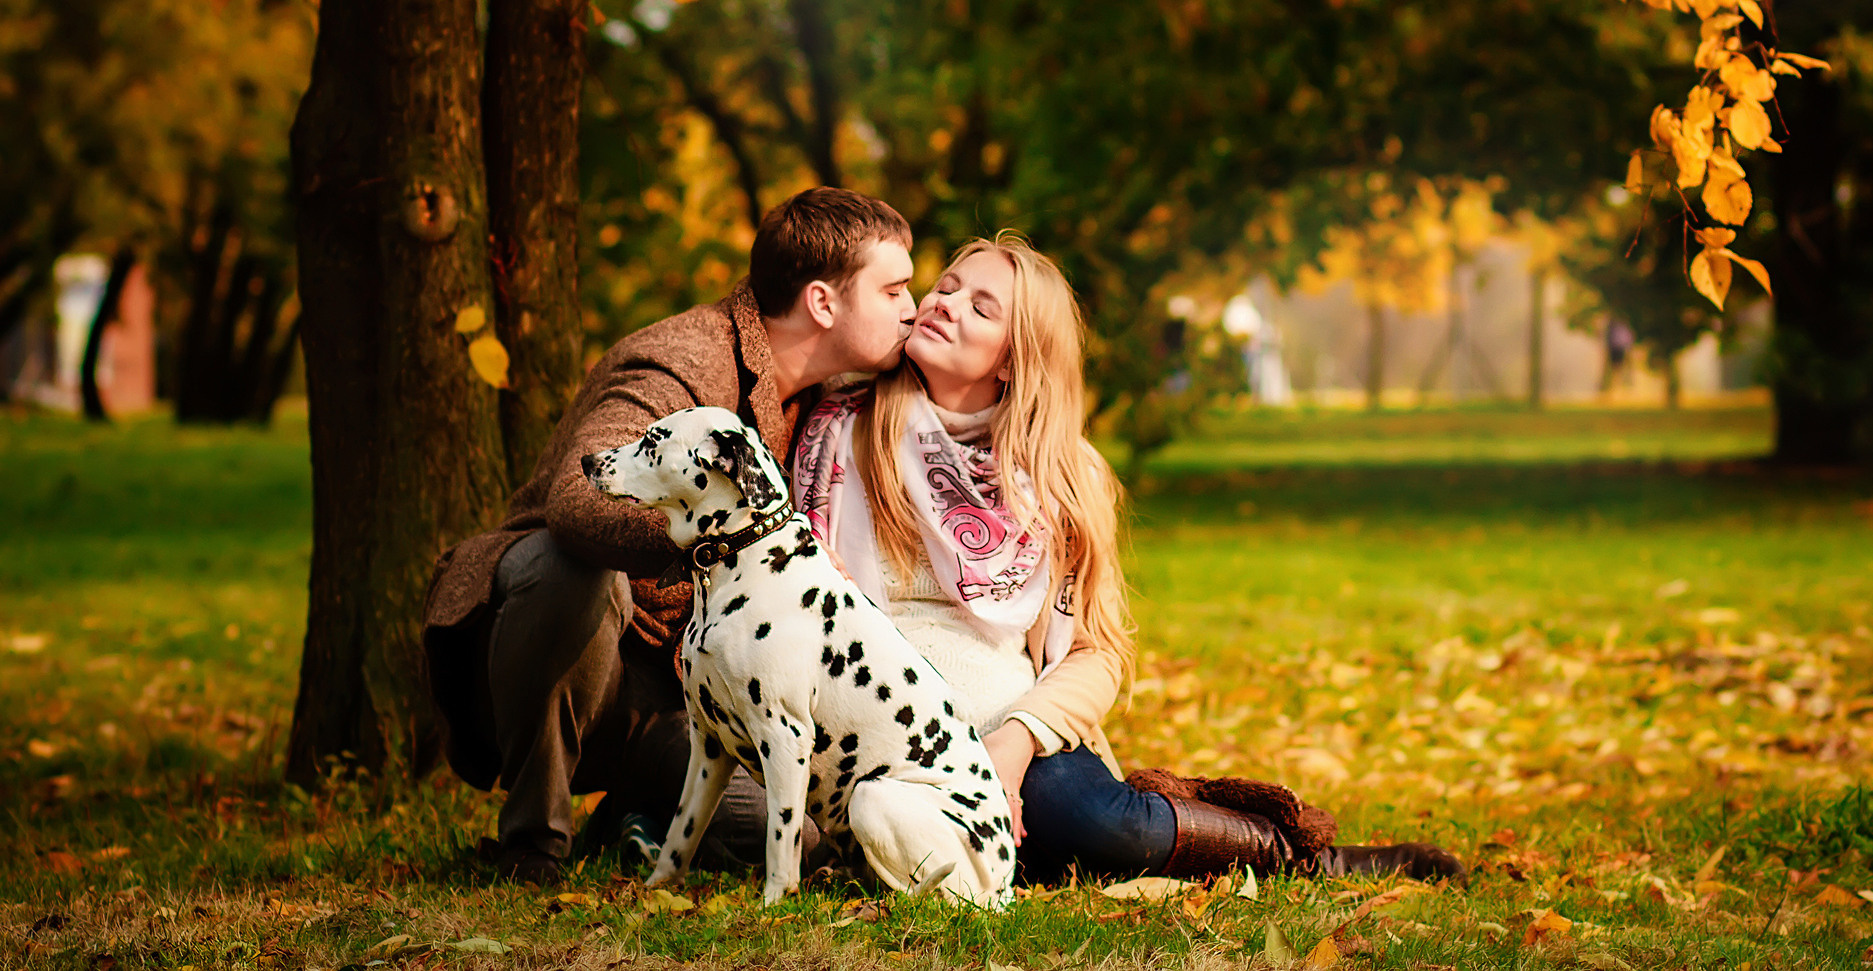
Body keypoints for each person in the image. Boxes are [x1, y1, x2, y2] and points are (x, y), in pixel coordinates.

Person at [790, 234, 1462, 884]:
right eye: (947, 285)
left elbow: (1097, 651)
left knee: (1090, 819)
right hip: (873, 730)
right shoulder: (839, 432)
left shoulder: (1062, 477)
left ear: (1011, 359)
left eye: (981, 306)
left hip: (1006, 727)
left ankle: (1295, 854)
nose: (943, 302)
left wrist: (1014, 743)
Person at [421, 188, 918, 884]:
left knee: (790, 836)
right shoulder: (680, 362)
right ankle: (533, 844)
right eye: (894, 287)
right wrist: (737, 539)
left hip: (679, 689)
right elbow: (576, 500)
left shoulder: (824, 396)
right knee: (568, 568)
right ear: (822, 302)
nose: (912, 306)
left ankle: (637, 813)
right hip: (554, 657)